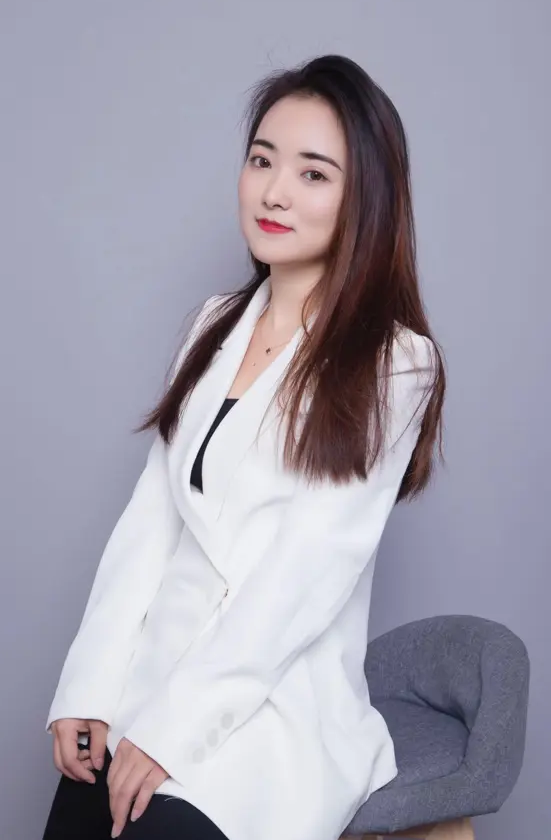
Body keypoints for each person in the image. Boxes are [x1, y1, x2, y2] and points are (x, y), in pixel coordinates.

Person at [41, 53, 446, 840]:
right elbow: (149, 525)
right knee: (76, 811)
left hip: (270, 708)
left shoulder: (396, 362)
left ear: (365, 199)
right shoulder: (213, 323)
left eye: (313, 173)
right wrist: (87, 688)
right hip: (150, 682)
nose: (274, 191)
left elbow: (303, 575)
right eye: (262, 160)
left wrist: (174, 729)